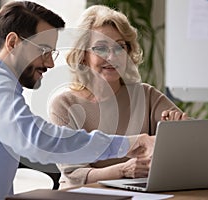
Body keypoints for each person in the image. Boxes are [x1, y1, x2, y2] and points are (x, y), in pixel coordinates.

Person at [0, 1, 155, 200]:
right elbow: (38, 141)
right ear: (13, 43)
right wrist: (128, 144)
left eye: (51, 52)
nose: (50, 63)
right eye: (43, 50)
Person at [49, 5, 189, 189]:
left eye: (119, 47)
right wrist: (123, 170)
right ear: (83, 56)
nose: (111, 56)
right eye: (101, 48)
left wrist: (179, 131)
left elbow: (195, 143)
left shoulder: (146, 95)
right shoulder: (64, 104)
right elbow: (74, 173)